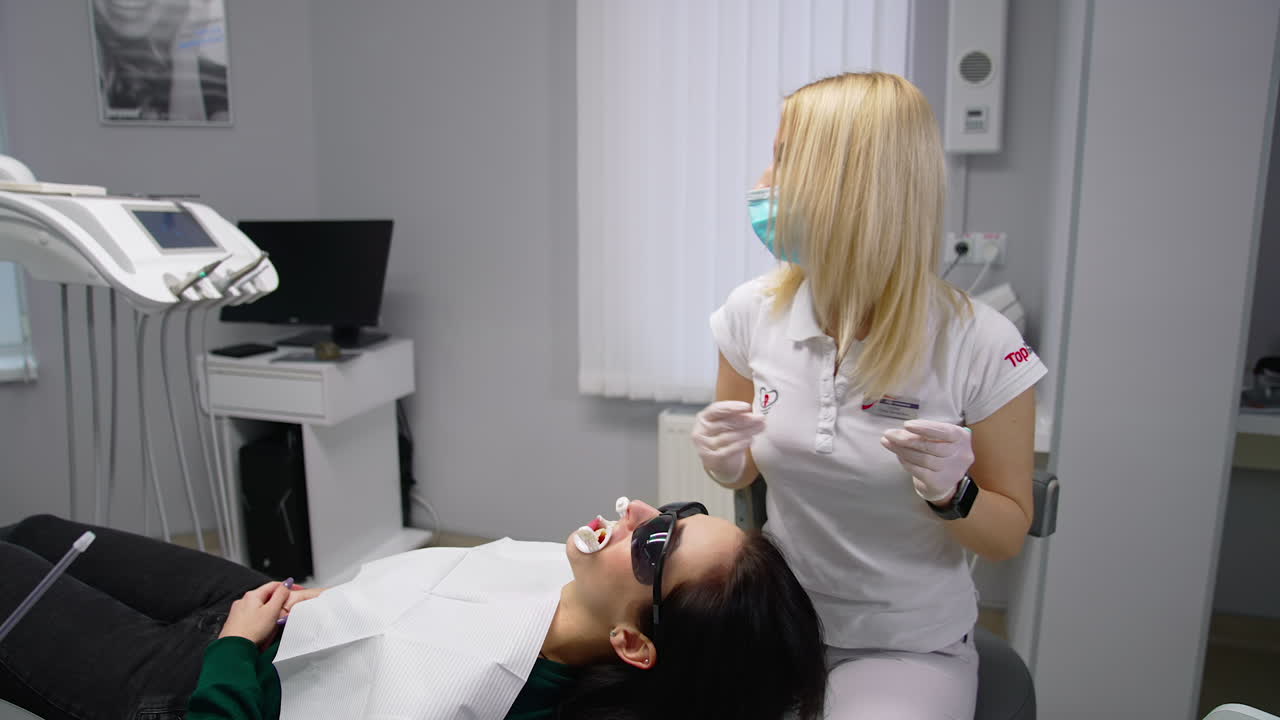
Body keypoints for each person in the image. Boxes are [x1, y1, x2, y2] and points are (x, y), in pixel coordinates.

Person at [693, 72, 1047, 720]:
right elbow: (742, 466)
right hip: (778, 622)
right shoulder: (751, 314)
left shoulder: (982, 345)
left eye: (781, 159)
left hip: (906, 647)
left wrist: (954, 494)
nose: (762, 182)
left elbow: (1006, 536)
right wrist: (722, 460)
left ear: (847, 187)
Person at [0, 501, 826, 720]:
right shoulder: (567, 584)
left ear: (633, 644)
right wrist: (348, 604)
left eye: (656, 548)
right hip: (283, 617)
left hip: (204, 689)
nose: (641, 512)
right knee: (36, 531)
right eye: (675, 511)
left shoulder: (486, 700)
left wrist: (231, 653)